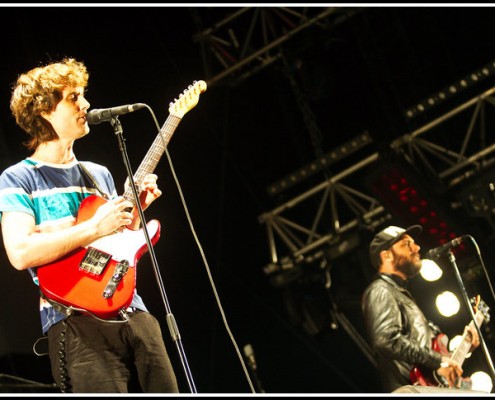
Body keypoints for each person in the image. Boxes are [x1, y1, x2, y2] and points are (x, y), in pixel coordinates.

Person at [0, 58, 179, 393]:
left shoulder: (97, 173)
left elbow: (115, 238)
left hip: (131, 308)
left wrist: (136, 212)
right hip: (73, 320)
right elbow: (20, 253)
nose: (85, 104)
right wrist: (94, 228)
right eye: (73, 97)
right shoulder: (18, 178)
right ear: (44, 110)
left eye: (83, 95)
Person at [361, 225, 480, 392]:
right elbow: (385, 340)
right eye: (406, 244)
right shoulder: (380, 289)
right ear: (386, 255)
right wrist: (438, 360)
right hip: (411, 389)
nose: (417, 248)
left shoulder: (401, 294)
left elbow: (428, 354)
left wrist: (463, 348)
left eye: (414, 243)